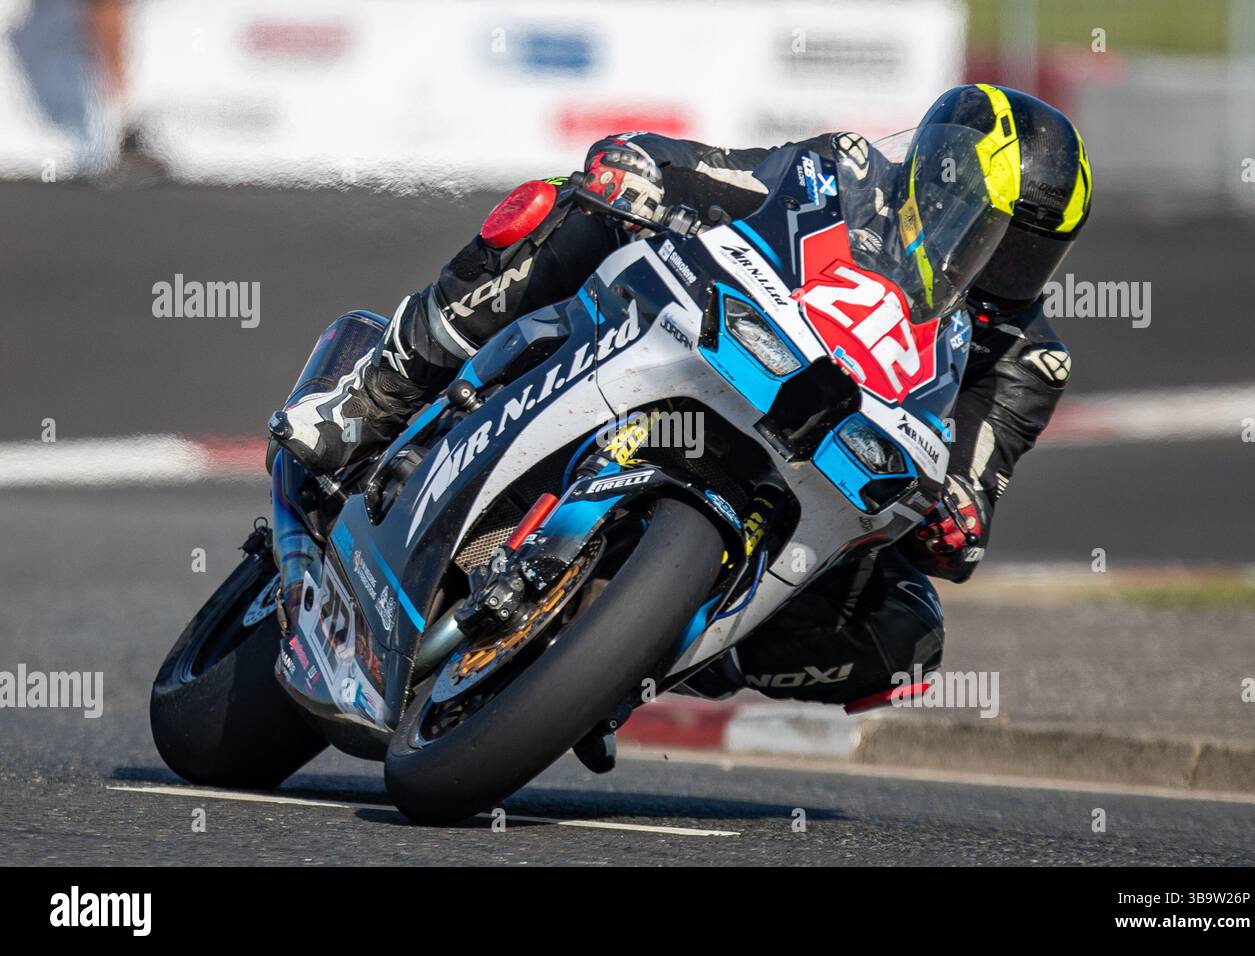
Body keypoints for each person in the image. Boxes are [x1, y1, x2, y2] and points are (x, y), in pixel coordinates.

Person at [269, 85, 1091, 753]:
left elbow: (978, 478)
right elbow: (726, 176)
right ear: (943, 183)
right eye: (1002, 233)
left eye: (1032, 251)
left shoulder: (1024, 356)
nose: (1006, 265)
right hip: (726, 350)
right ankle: (376, 392)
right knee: (572, 207)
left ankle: (634, 656)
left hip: (827, 467)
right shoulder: (842, 173)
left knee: (904, 635)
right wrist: (650, 172)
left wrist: (959, 516)